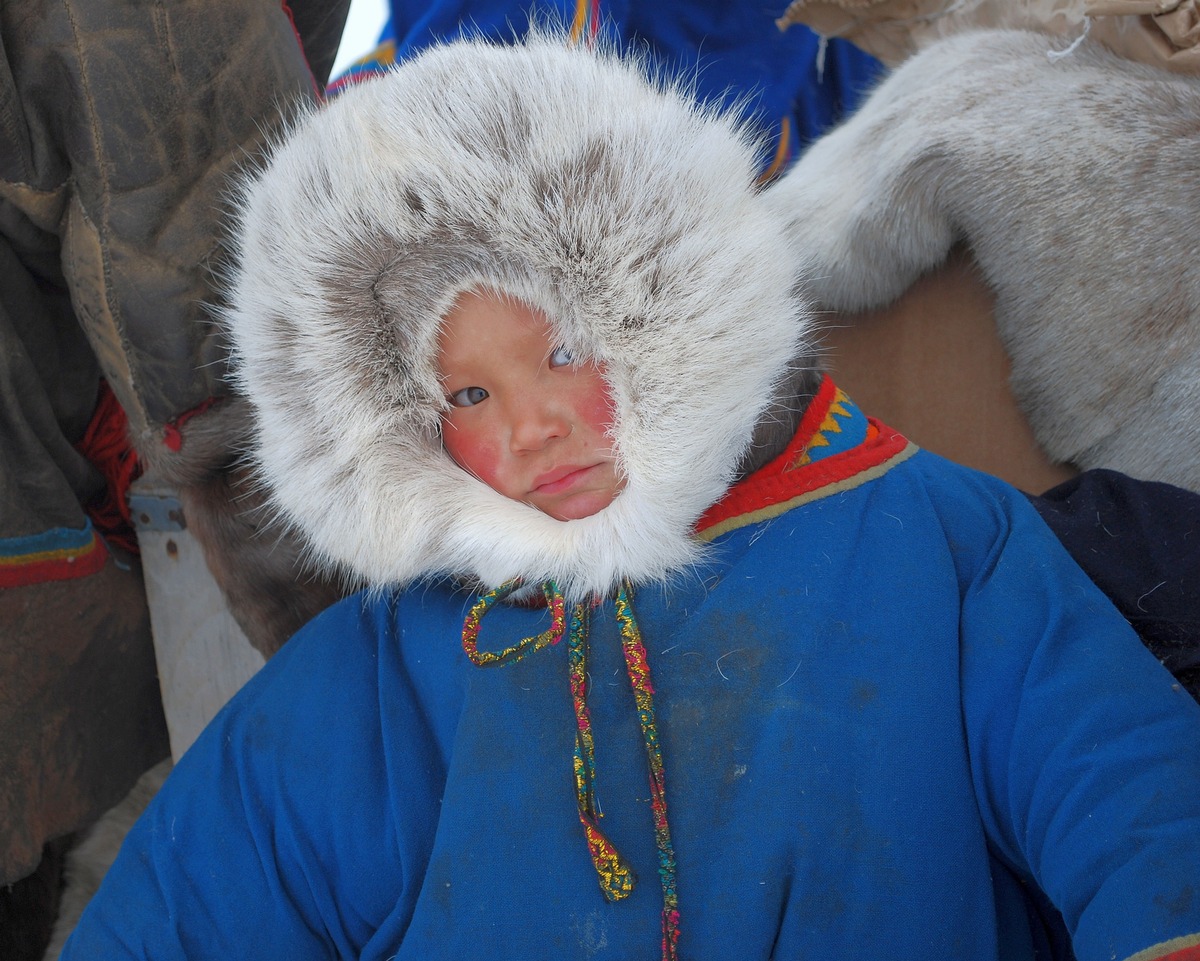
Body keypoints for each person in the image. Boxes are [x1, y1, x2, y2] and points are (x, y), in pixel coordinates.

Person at [62, 32, 1200, 961]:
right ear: (392, 418)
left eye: (561, 349)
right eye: (465, 389)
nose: (529, 424)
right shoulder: (389, 671)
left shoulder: (932, 535)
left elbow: (1125, 788)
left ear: (661, 303)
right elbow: (196, 895)